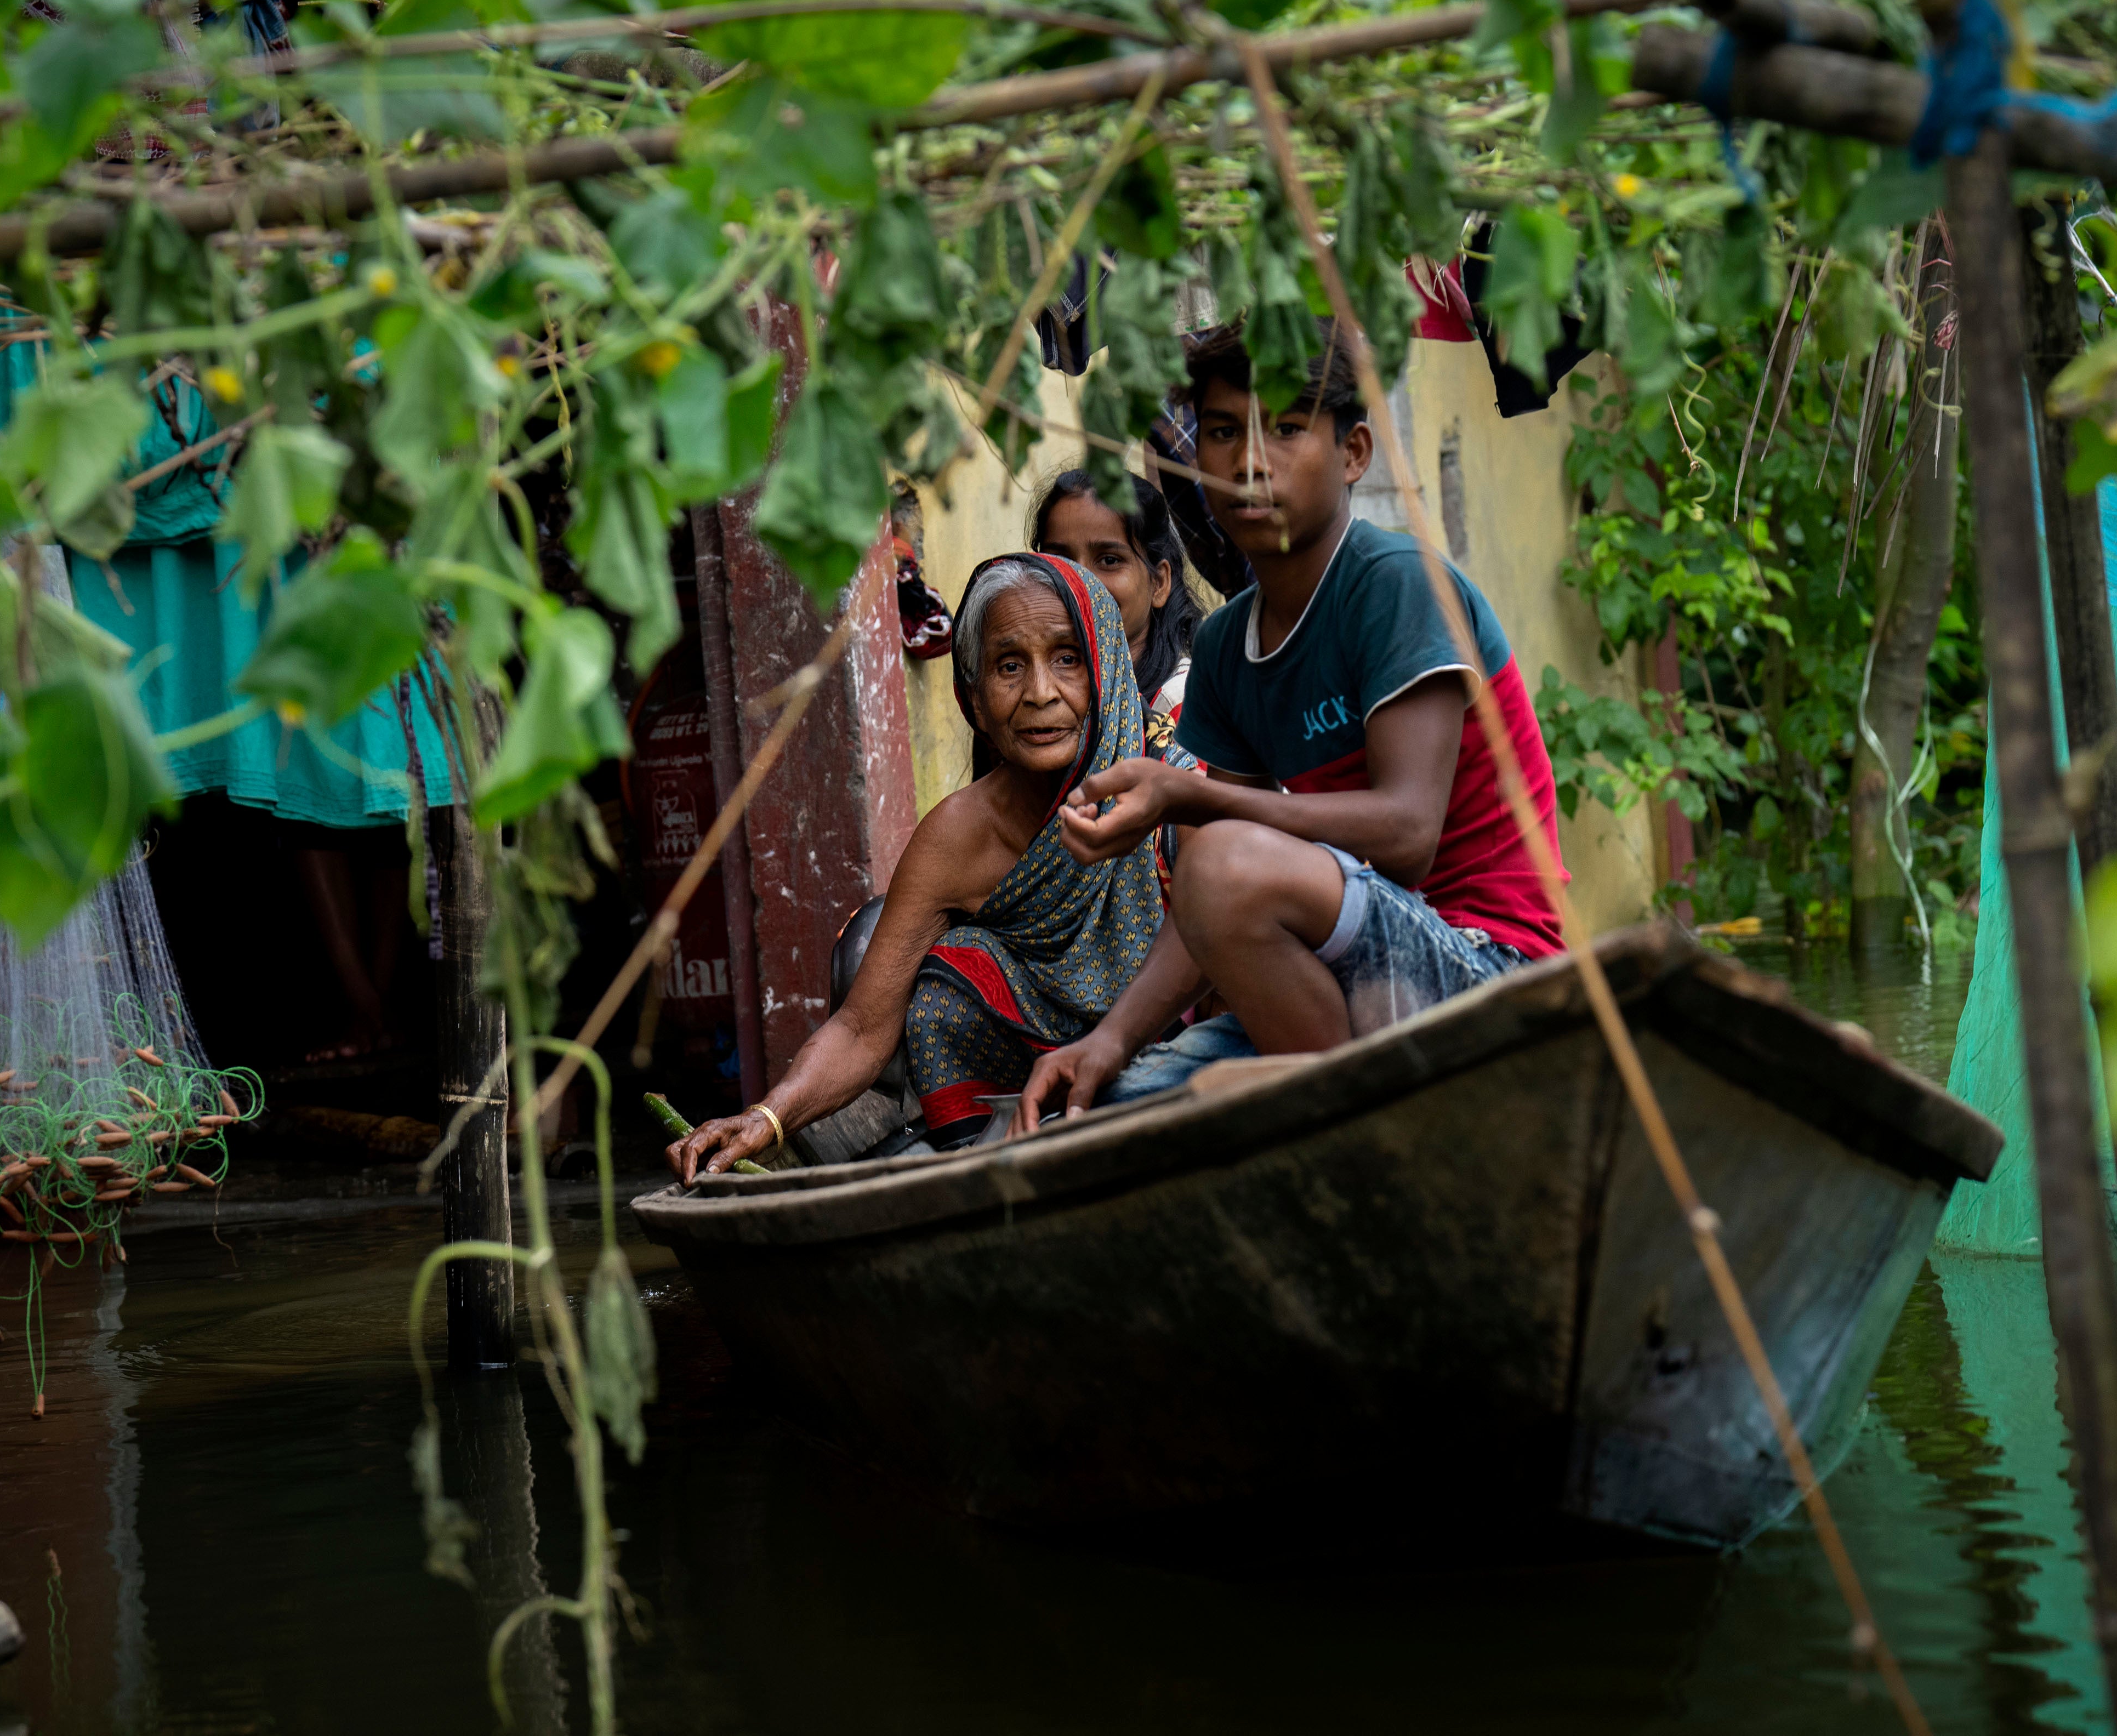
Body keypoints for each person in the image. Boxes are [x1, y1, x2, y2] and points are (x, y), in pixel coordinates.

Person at [1019, 321, 1570, 1126]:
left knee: (1221, 863)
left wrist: (1186, 798)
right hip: (1358, 974)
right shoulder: (1226, 649)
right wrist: (1110, 1040)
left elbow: (1408, 831)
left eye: (1284, 428)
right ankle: (1338, 1113)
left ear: (1353, 454)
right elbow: (1213, 904)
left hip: (1491, 967)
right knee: (1104, 1108)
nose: (1247, 462)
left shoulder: (1395, 583)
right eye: (1218, 433)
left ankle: (1356, 1131)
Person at [668, 553, 1168, 1177]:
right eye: (1009, 666)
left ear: (1107, 674)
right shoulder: (957, 837)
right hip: (1014, 1128)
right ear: (976, 702)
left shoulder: (1168, 792)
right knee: (946, 982)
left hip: (1168, 1081)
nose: (1041, 692)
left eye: (1067, 658)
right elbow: (861, 1030)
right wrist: (766, 1119)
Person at [1032, 468, 1207, 758]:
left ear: (1159, 583)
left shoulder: (1182, 703)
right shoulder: (1038, 698)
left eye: (1110, 560)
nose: (1082, 583)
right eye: (1059, 562)